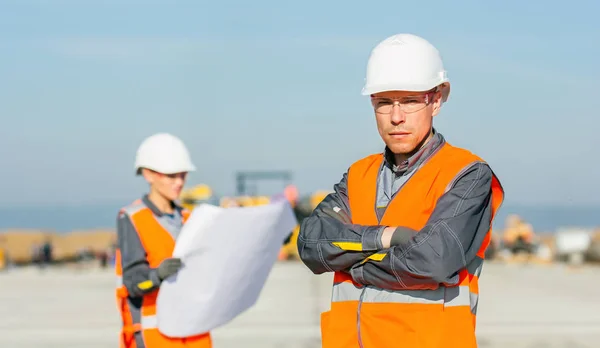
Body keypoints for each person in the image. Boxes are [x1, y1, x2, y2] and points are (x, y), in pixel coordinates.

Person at [297, 33, 505, 348]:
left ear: (436, 100)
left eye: (409, 101)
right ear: (372, 103)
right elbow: (311, 245)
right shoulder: (358, 175)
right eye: (384, 103)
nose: (396, 117)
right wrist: (388, 238)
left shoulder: (466, 174)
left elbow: (432, 261)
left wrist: (351, 263)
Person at [114, 133, 212, 348]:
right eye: (171, 176)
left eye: (183, 175)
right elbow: (133, 282)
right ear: (148, 174)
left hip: (195, 336)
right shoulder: (133, 218)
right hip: (156, 339)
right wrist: (157, 275)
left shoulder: (190, 218)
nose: (179, 182)